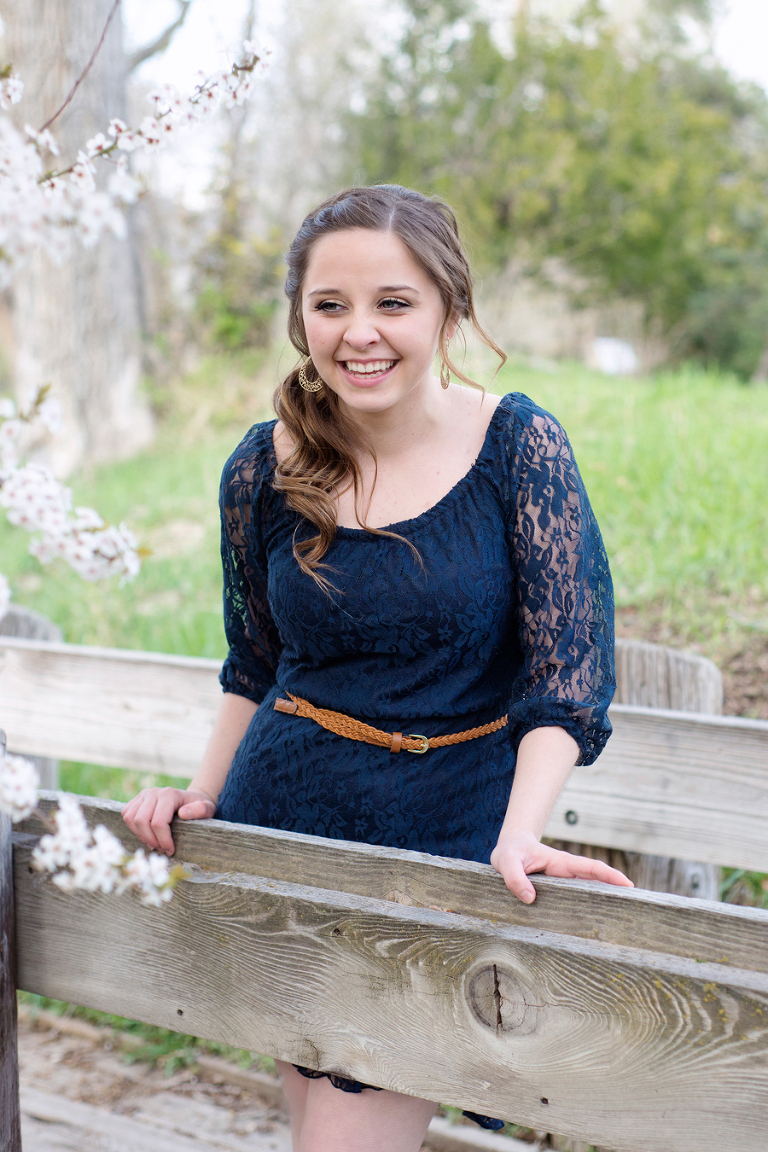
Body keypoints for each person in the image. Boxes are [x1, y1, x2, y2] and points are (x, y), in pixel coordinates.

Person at [122, 184, 632, 1152]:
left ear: (449, 307)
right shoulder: (262, 466)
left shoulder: (519, 447)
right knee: (314, 1119)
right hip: (283, 829)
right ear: (300, 317)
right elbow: (254, 662)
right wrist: (202, 793)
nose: (359, 332)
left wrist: (520, 833)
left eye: (392, 302)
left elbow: (566, 677)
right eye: (331, 304)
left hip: (441, 845)